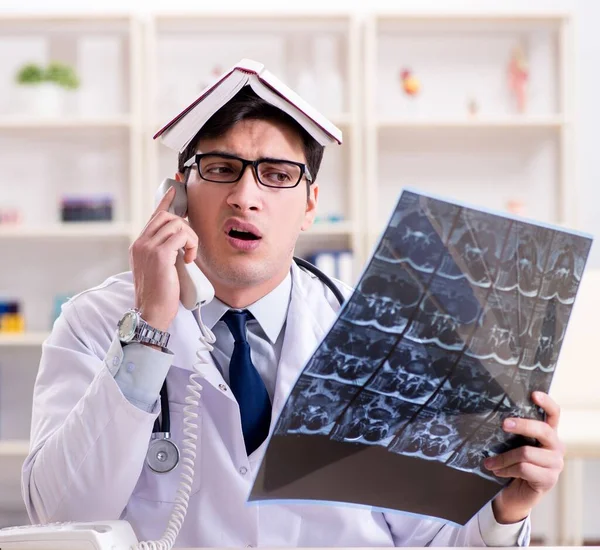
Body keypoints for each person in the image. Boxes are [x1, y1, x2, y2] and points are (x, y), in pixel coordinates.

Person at [21, 82, 564, 547]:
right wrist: (149, 329)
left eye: (277, 175)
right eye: (221, 168)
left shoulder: (392, 338)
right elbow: (61, 517)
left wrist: (505, 511)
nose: (244, 196)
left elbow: (433, 540)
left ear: (309, 204)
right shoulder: (94, 323)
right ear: (180, 193)